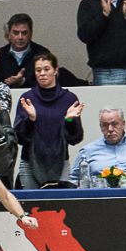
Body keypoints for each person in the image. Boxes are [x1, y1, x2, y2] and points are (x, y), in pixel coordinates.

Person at [14, 52, 85, 189]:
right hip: (30, 163)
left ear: (56, 70)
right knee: (30, 208)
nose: (42, 73)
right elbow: (19, 138)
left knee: (61, 206)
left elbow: (76, 138)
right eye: (38, 70)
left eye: (46, 69)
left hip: (60, 163)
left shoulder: (69, 98)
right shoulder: (28, 98)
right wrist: (31, 119)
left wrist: (69, 120)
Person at [70, 107, 126, 185]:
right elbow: (73, 180)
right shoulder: (87, 150)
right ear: (100, 127)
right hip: (101, 199)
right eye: (105, 125)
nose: (110, 129)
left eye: (114, 124)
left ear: (123, 124)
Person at [0, 13, 50, 89]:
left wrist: (22, 81)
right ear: (9, 34)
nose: (20, 37)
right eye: (16, 33)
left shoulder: (42, 54)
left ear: (31, 33)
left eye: (24, 33)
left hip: (35, 99)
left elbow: (49, 83)